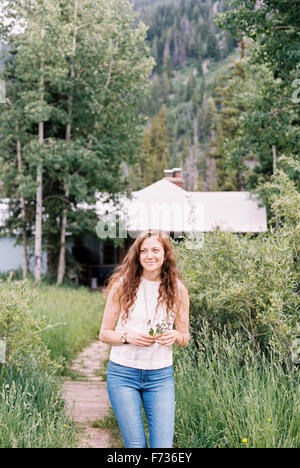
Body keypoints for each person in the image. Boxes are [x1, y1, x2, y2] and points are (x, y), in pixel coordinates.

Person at [99, 229, 190, 448]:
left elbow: (185, 336)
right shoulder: (121, 285)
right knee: (136, 446)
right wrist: (127, 337)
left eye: (155, 250)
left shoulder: (178, 290)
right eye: (144, 251)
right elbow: (104, 333)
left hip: (160, 377)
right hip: (123, 374)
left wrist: (175, 336)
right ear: (138, 256)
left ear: (165, 254)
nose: (150, 256)